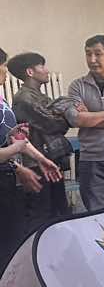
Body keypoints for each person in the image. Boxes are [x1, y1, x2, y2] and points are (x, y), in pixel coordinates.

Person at [0, 66, 64, 269]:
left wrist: (40, 159)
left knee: (12, 236)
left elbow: (12, 137)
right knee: (8, 241)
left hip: (7, 175)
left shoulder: (1, 100)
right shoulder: (23, 98)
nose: (6, 71)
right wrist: (16, 149)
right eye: (2, 65)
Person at [62, 35, 104, 211]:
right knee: (98, 215)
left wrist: (90, 118)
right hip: (92, 159)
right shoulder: (77, 85)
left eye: (98, 54)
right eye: (88, 54)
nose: (92, 60)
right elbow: (75, 119)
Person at [7, 53, 71, 219]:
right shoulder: (24, 98)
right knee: (44, 213)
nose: (47, 70)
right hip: (37, 162)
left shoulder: (39, 96)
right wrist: (69, 115)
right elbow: (54, 124)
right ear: (30, 72)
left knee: (59, 209)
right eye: (42, 66)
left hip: (49, 158)